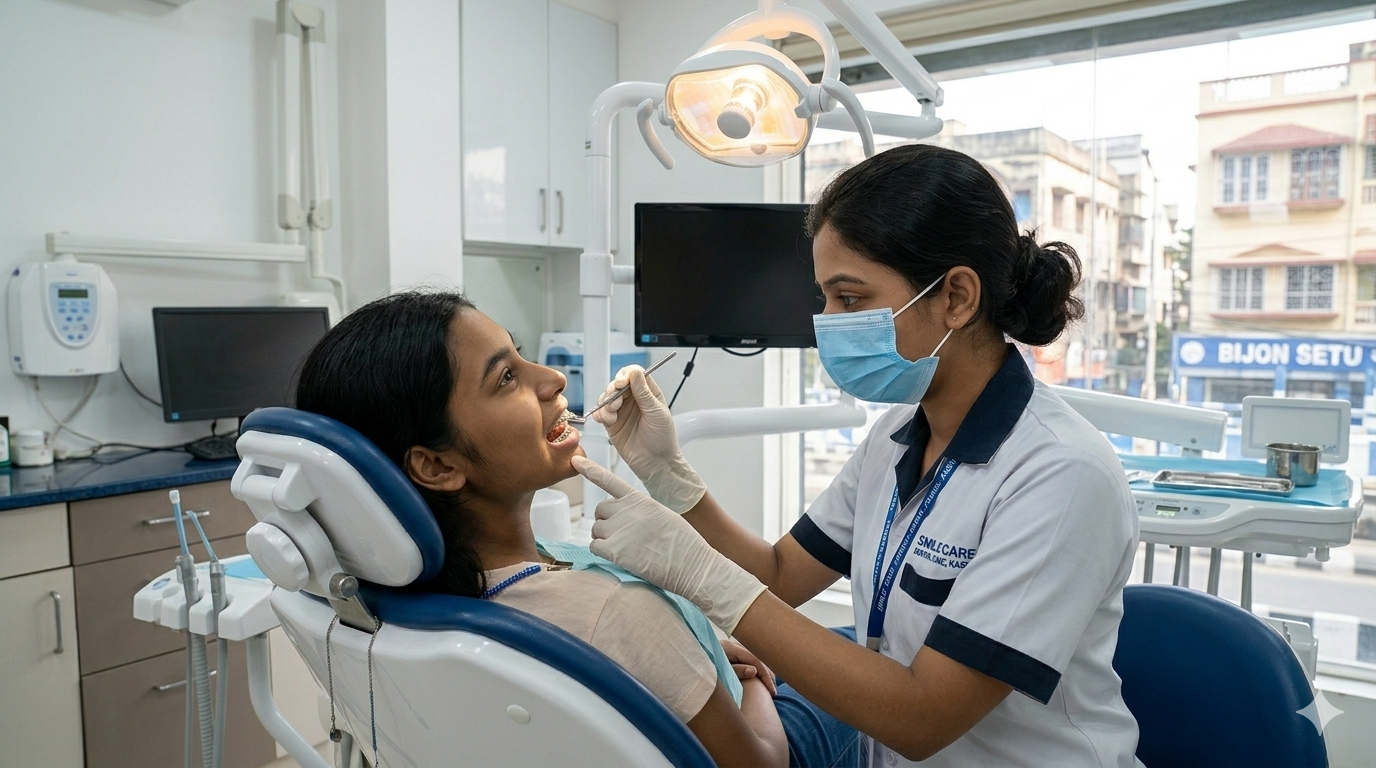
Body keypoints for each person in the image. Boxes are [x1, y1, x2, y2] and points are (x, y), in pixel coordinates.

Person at [576, 143, 1144, 767]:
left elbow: (923, 716)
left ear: (957, 297)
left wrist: (701, 576)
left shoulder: (1060, 475)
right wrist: (669, 476)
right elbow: (780, 575)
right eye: (825, 298)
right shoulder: (896, 436)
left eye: (849, 299)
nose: (826, 322)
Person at [292, 291, 798, 768]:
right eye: (506, 378)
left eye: (521, 356)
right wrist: (753, 682)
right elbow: (766, 763)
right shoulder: (616, 613)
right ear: (437, 466)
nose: (554, 378)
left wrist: (683, 658)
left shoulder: (399, 604)